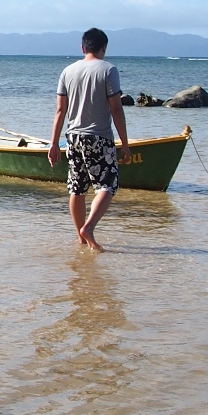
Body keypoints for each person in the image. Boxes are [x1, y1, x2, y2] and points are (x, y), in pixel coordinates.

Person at [46, 27, 128, 251]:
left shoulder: (68, 71)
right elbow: (116, 109)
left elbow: (60, 111)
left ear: (83, 47)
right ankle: (89, 227)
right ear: (104, 48)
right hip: (99, 137)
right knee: (108, 184)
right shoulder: (109, 70)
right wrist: (125, 144)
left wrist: (53, 144)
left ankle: (81, 238)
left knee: (77, 187)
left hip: (73, 138)